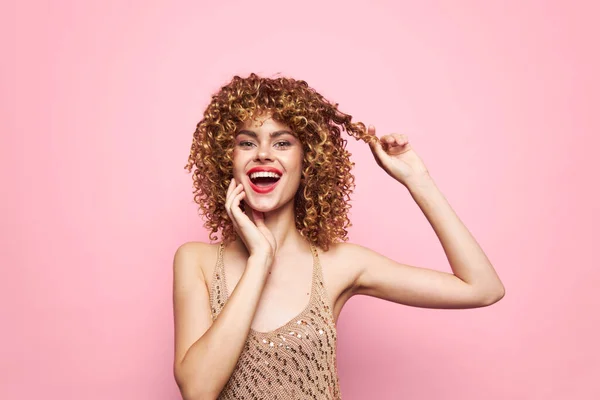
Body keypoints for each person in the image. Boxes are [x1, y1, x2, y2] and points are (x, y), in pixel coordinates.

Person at [172, 73, 505, 400]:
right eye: (247, 142)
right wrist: (260, 259)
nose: (262, 153)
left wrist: (417, 180)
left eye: (283, 142)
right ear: (227, 160)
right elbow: (198, 390)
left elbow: (482, 289)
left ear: (308, 163)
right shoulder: (196, 261)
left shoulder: (340, 265)